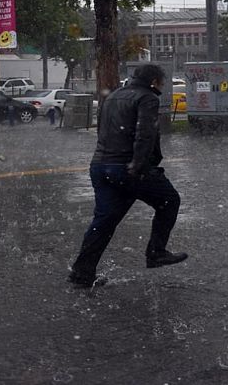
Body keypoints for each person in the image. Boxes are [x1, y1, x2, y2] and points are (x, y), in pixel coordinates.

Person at [69, 64, 187, 288]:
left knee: (104, 221)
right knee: (169, 200)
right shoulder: (147, 98)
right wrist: (138, 165)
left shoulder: (113, 96)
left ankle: (82, 272)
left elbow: (103, 129)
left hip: (101, 166)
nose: (162, 84)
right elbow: (145, 134)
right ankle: (156, 252)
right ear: (153, 81)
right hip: (126, 167)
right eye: (161, 81)